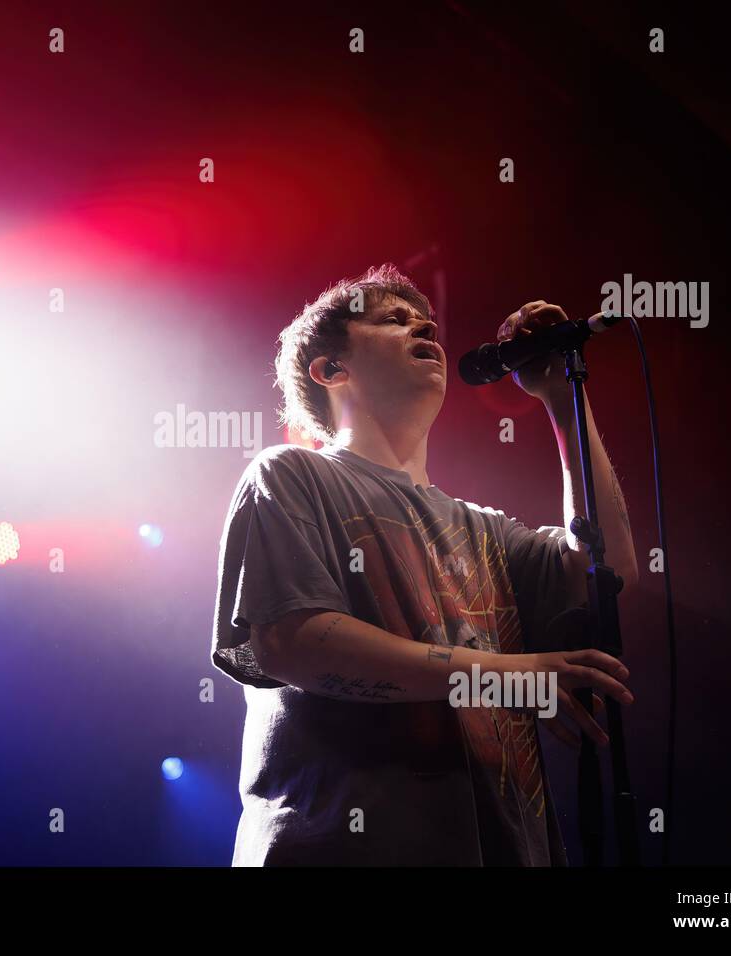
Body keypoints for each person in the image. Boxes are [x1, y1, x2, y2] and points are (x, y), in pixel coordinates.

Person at [210, 263, 640, 866]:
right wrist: (501, 674)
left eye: (428, 324)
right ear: (331, 370)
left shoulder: (484, 528)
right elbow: (294, 641)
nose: (425, 331)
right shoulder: (289, 475)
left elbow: (610, 566)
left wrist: (562, 400)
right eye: (393, 319)